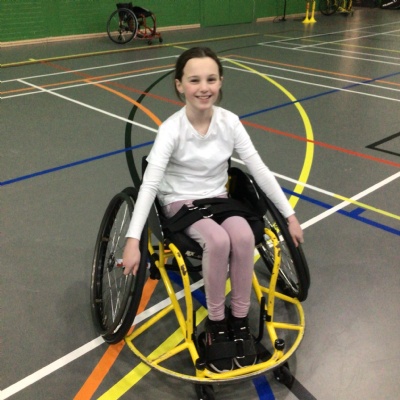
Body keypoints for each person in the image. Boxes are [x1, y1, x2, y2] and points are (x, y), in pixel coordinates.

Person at [122, 47, 304, 373]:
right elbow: (149, 186)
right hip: (180, 201)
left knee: (244, 237)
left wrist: (289, 216)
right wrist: (133, 240)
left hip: (219, 198)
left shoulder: (229, 122)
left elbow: (259, 169)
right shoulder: (171, 130)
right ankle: (216, 324)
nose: (203, 88)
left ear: (220, 82)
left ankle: (240, 319)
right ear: (180, 85)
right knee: (218, 241)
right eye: (194, 80)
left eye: (211, 79)